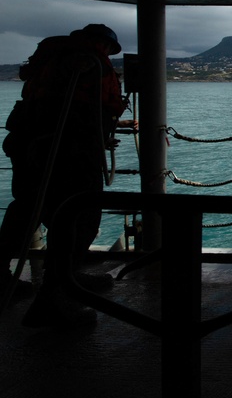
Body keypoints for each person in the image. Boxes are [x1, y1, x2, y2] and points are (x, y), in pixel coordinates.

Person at [0, 24, 134, 327]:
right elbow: (74, 110)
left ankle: (5, 276)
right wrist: (89, 137)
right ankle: (54, 297)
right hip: (67, 151)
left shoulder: (52, 58)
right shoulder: (87, 63)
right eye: (111, 50)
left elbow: (58, 105)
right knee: (78, 218)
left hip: (28, 145)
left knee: (26, 209)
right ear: (104, 44)